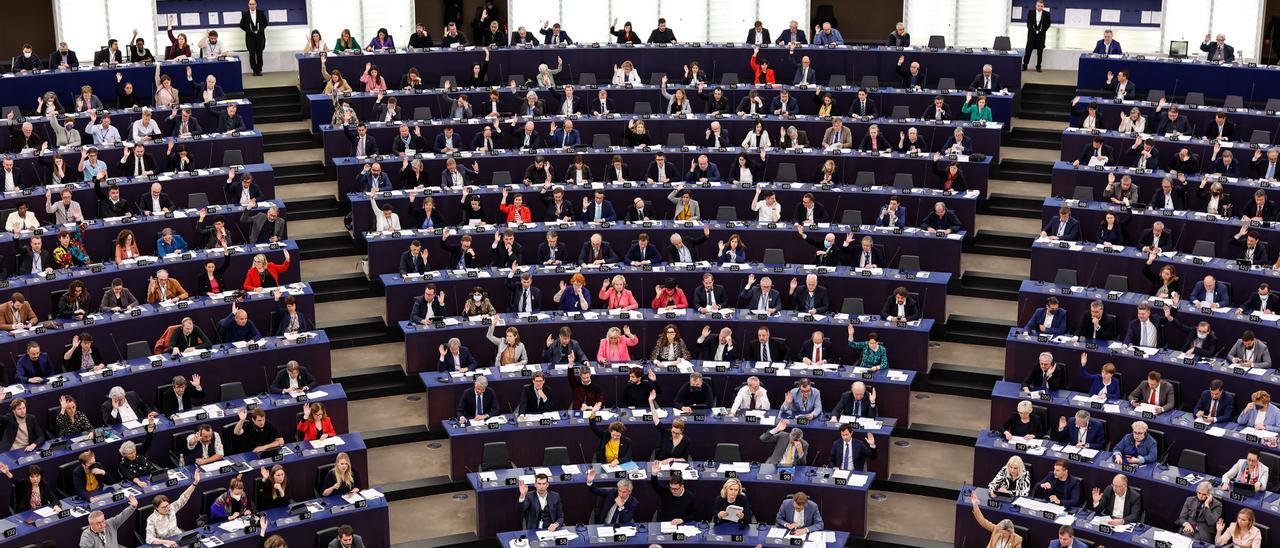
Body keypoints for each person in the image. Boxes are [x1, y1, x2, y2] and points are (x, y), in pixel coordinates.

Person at [145, 469, 202, 546]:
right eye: (163, 507)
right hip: (165, 543)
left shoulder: (171, 508)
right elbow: (149, 539)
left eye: (167, 505)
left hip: (179, 538)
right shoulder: (151, 519)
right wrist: (167, 542)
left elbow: (184, 497)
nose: (167, 508)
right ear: (156, 508)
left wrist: (195, 482)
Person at [1023, 1, 1050, 71]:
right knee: (1028, 50)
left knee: (1040, 52)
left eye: (1041, 6)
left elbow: (1048, 24)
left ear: (1043, 6)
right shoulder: (1031, 12)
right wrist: (1031, 30)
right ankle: (1025, 65)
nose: (1040, 7)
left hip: (1041, 36)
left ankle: (1038, 66)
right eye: (1038, 6)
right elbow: (1028, 23)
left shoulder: (1047, 14)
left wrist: (1042, 31)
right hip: (1031, 35)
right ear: (1036, 6)